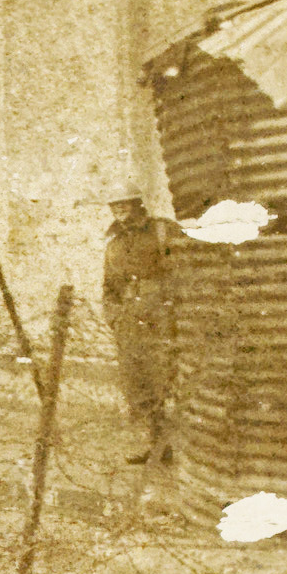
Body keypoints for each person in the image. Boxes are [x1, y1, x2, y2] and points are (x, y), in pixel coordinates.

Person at [102, 187, 173, 463]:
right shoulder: (114, 244)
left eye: (124, 204)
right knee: (138, 384)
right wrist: (115, 318)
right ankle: (156, 444)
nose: (119, 211)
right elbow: (109, 288)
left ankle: (184, 447)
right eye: (114, 206)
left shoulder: (161, 232)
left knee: (165, 380)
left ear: (137, 204)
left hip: (163, 321)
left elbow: (185, 270)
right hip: (130, 322)